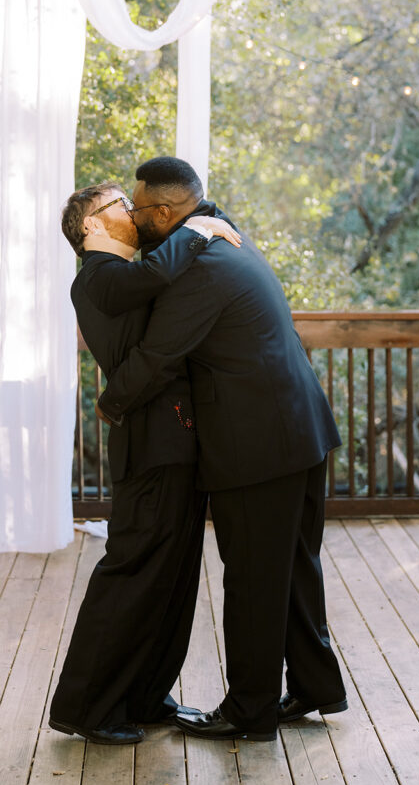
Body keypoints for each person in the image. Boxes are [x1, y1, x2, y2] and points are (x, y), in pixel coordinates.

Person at [97, 157, 347, 742]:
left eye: (137, 207)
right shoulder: (222, 234)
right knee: (293, 571)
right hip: (301, 431)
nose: (132, 217)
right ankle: (315, 686)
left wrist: (110, 404)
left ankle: (249, 711)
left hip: (259, 445)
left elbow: (158, 355)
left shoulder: (202, 268)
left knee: (255, 579)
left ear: (164, 212)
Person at [49, 181, 241, 745]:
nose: (132, 211)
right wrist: (199, 227)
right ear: (91, 226)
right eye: (119, 205)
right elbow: (155, 276)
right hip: (151, 447)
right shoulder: (98, 277)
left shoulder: (127, 275)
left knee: (172, 578)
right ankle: (85, 708)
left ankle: (145, 695)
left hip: (174, 442)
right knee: (132, 573)